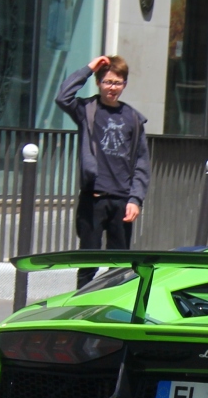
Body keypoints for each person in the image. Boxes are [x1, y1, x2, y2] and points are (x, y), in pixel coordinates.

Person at [55, 55, 151, 288]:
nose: (112, 88)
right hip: (93, 198)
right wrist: (89, 68)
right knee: (88, 262)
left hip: (122, 200)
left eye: (117, 83)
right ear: (99, 82)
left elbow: (141, 162)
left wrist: (135, 199)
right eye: (107, 82)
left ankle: (112, 307)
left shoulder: (134, 119)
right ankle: (82, 307)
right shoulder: (87, 110)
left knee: (119, 265)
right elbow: (63, 96)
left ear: (124, 85)